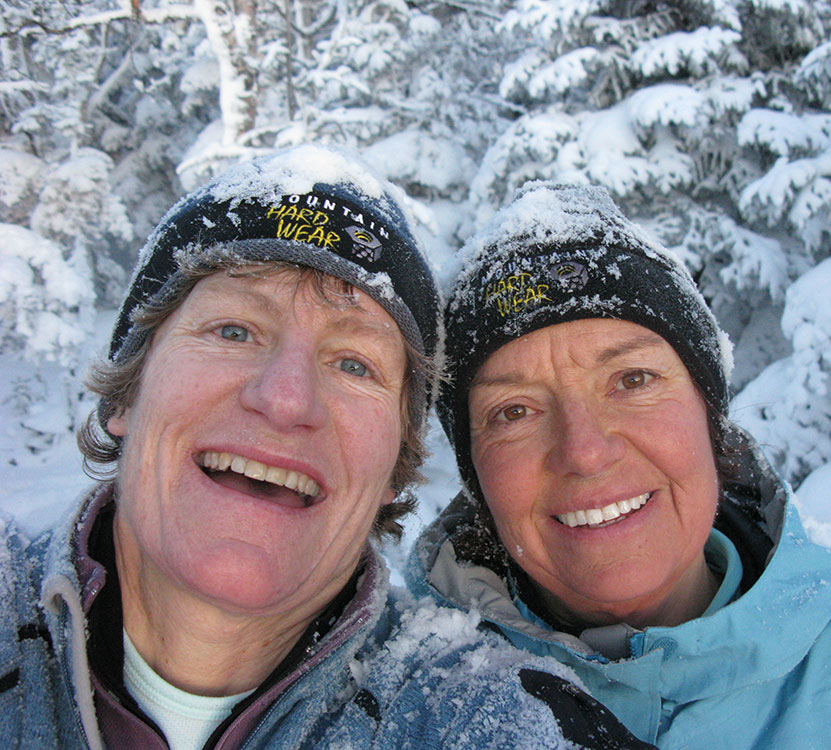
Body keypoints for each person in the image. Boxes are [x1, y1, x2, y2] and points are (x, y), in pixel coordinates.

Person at [0, 150, 655, 750]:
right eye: (234, 329)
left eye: (353, 363)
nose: (286, 399)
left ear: (396, 466)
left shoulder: (493, 717)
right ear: (125, 396)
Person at [408, 182, 831, 748]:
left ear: (710, 419)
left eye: (632, 380)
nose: (585, 453)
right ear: (476, 478)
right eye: (514, 411)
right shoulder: (404, 712)